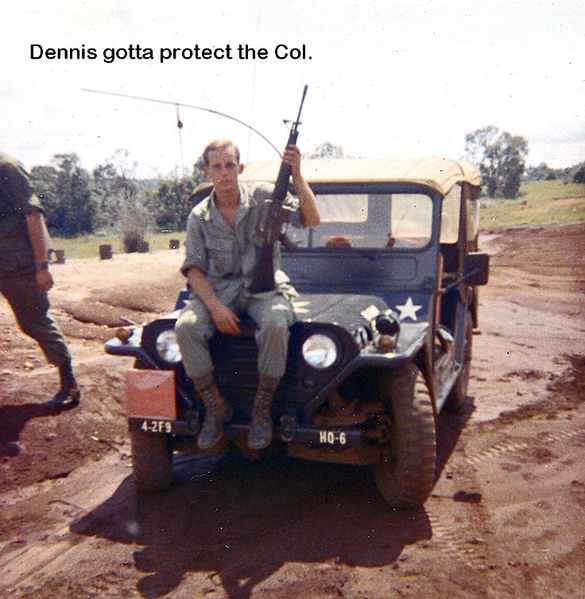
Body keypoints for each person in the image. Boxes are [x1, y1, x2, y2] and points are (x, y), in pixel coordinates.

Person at [175, 139, 320, 450]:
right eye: (217, 167)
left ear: (240, 169)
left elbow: (312, 220)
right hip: (220, 291)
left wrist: (297, 175)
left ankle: (262, 406)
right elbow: (194, 270)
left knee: (277, 321)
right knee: (185, 327)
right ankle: (215, 406)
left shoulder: (266, 196)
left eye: (230, 165)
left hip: (265, 289)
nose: (225, 173)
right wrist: (214, 307)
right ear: (207, 172)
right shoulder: (199, 216)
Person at [0, 151, 80, 410]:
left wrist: (42, 266)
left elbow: (33, 216)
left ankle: (69, 382)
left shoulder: (7, 167)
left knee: (34, 322)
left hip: (17, 264)